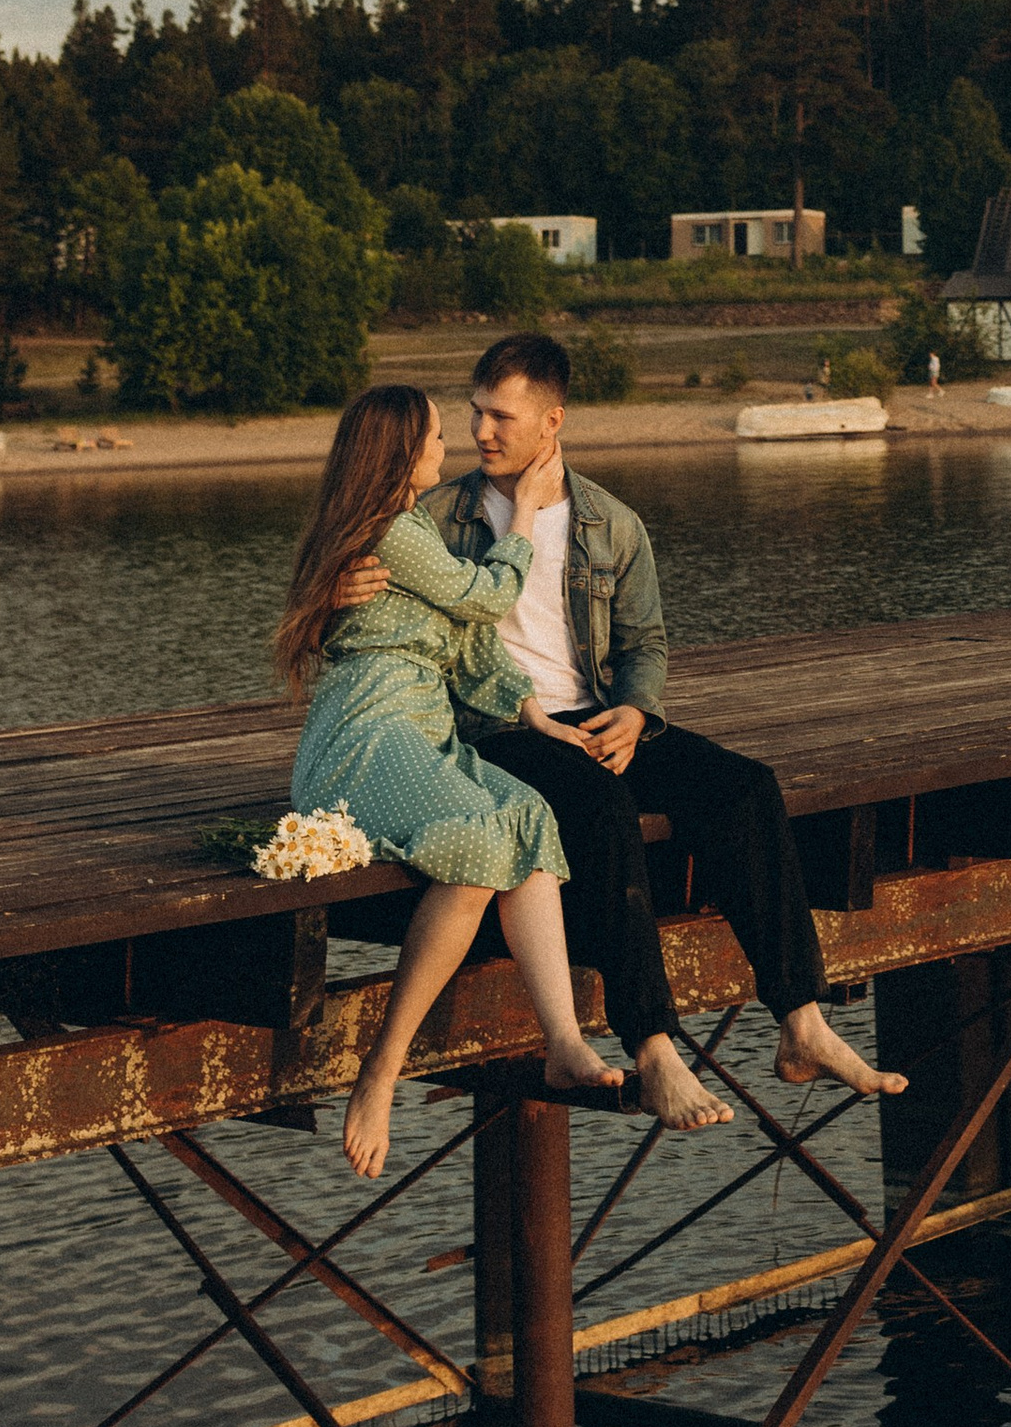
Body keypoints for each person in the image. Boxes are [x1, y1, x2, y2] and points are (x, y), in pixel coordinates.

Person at [332, 330, 902, 1131]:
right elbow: (356, 591)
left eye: (501, 417)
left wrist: (636, 711)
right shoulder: (433, 519)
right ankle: (654, 1047)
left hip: (597, 714)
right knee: (600, 808)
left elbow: (646, 644)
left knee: (744, 787)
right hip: (499, 727)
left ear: (552, 422)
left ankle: (801, 1020)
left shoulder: (611, 523)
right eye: (475, 413)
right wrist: (340, 594)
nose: (481, 431)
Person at [275, 384, 625, 1178]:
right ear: (402, 451)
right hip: (367, 734)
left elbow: (466, 639)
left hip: (421, 726)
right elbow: (486, 596)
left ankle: (563, 1041)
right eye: (436, 435)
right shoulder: (392, 529)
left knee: (527, 814)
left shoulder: (403, 530)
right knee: (473, 847)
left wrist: (534, 716)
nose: (449, 445)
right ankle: (382, 1070)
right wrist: (526, 515)